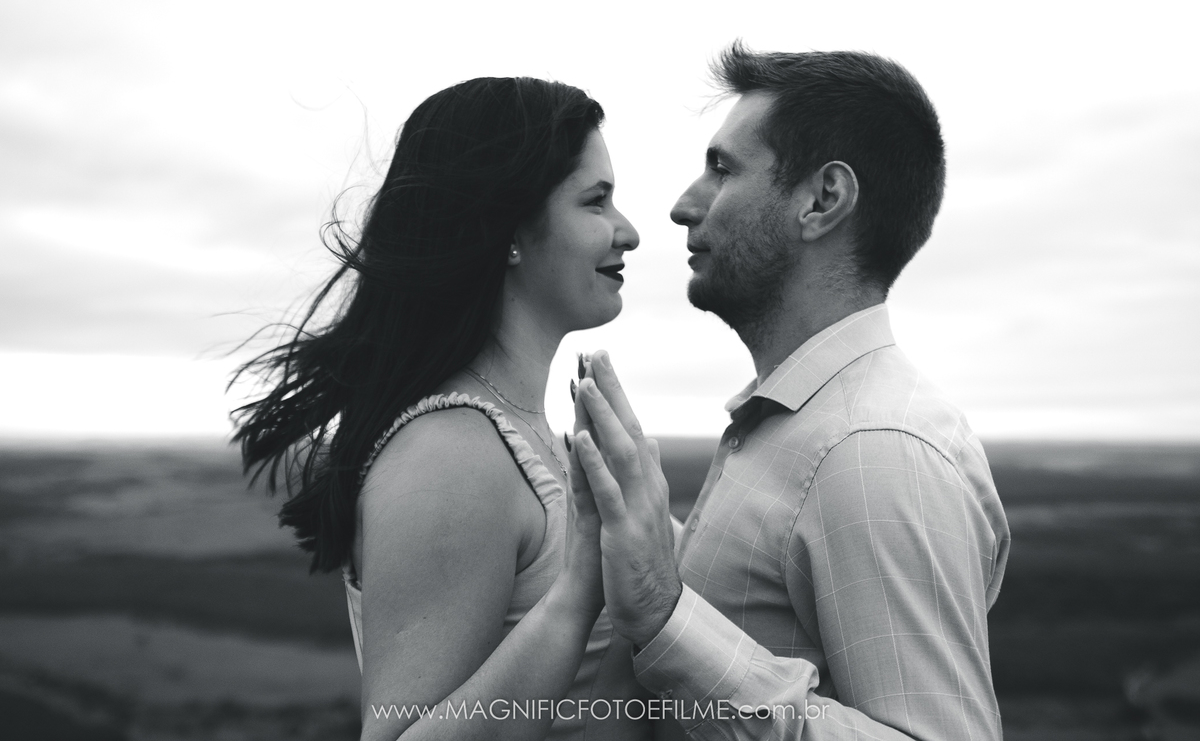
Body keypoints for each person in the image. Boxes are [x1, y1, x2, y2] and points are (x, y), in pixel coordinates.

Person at [570, 43, 1011, 740]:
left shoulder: (874, 451)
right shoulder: (798, 424)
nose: (684, 207)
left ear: (822, 200)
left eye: (723, 169)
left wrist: (662, 614)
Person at [231, 76, 652, 741]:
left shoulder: (525, 432)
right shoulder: (453, 454)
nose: (628, 231)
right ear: (510, 229)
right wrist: (578, 599)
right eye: (595, 201)